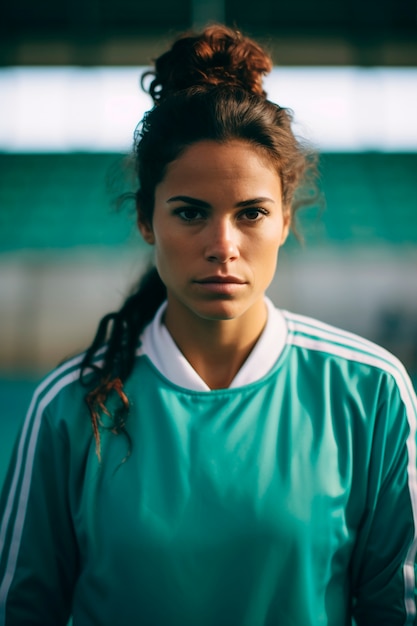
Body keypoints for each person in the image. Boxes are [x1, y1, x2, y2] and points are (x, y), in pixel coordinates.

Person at [0, 24, 416, 626]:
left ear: (283, 220)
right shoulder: (67, 408)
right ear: (147, 220)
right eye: (191, 212)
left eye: (251, 214)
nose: (223, 245)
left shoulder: (370, 392)